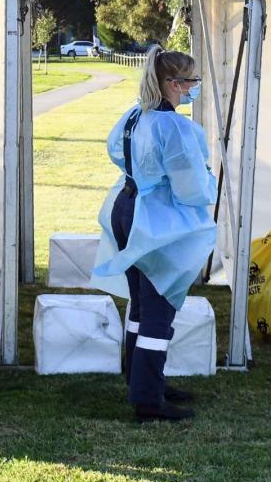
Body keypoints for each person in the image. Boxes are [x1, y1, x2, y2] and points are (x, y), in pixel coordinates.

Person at [90, 46, 217, 423]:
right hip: (154, 219)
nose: (195, 87)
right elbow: (190, 187)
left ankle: (143, 377)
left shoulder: (134, 115)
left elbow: (115, 149)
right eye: (192, 81)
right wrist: (206, 185)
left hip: (126, 208)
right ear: (174, 84)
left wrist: (142, 176)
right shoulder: (175, 127)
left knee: (141, 303)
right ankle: (148, 398)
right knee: (159, 306)